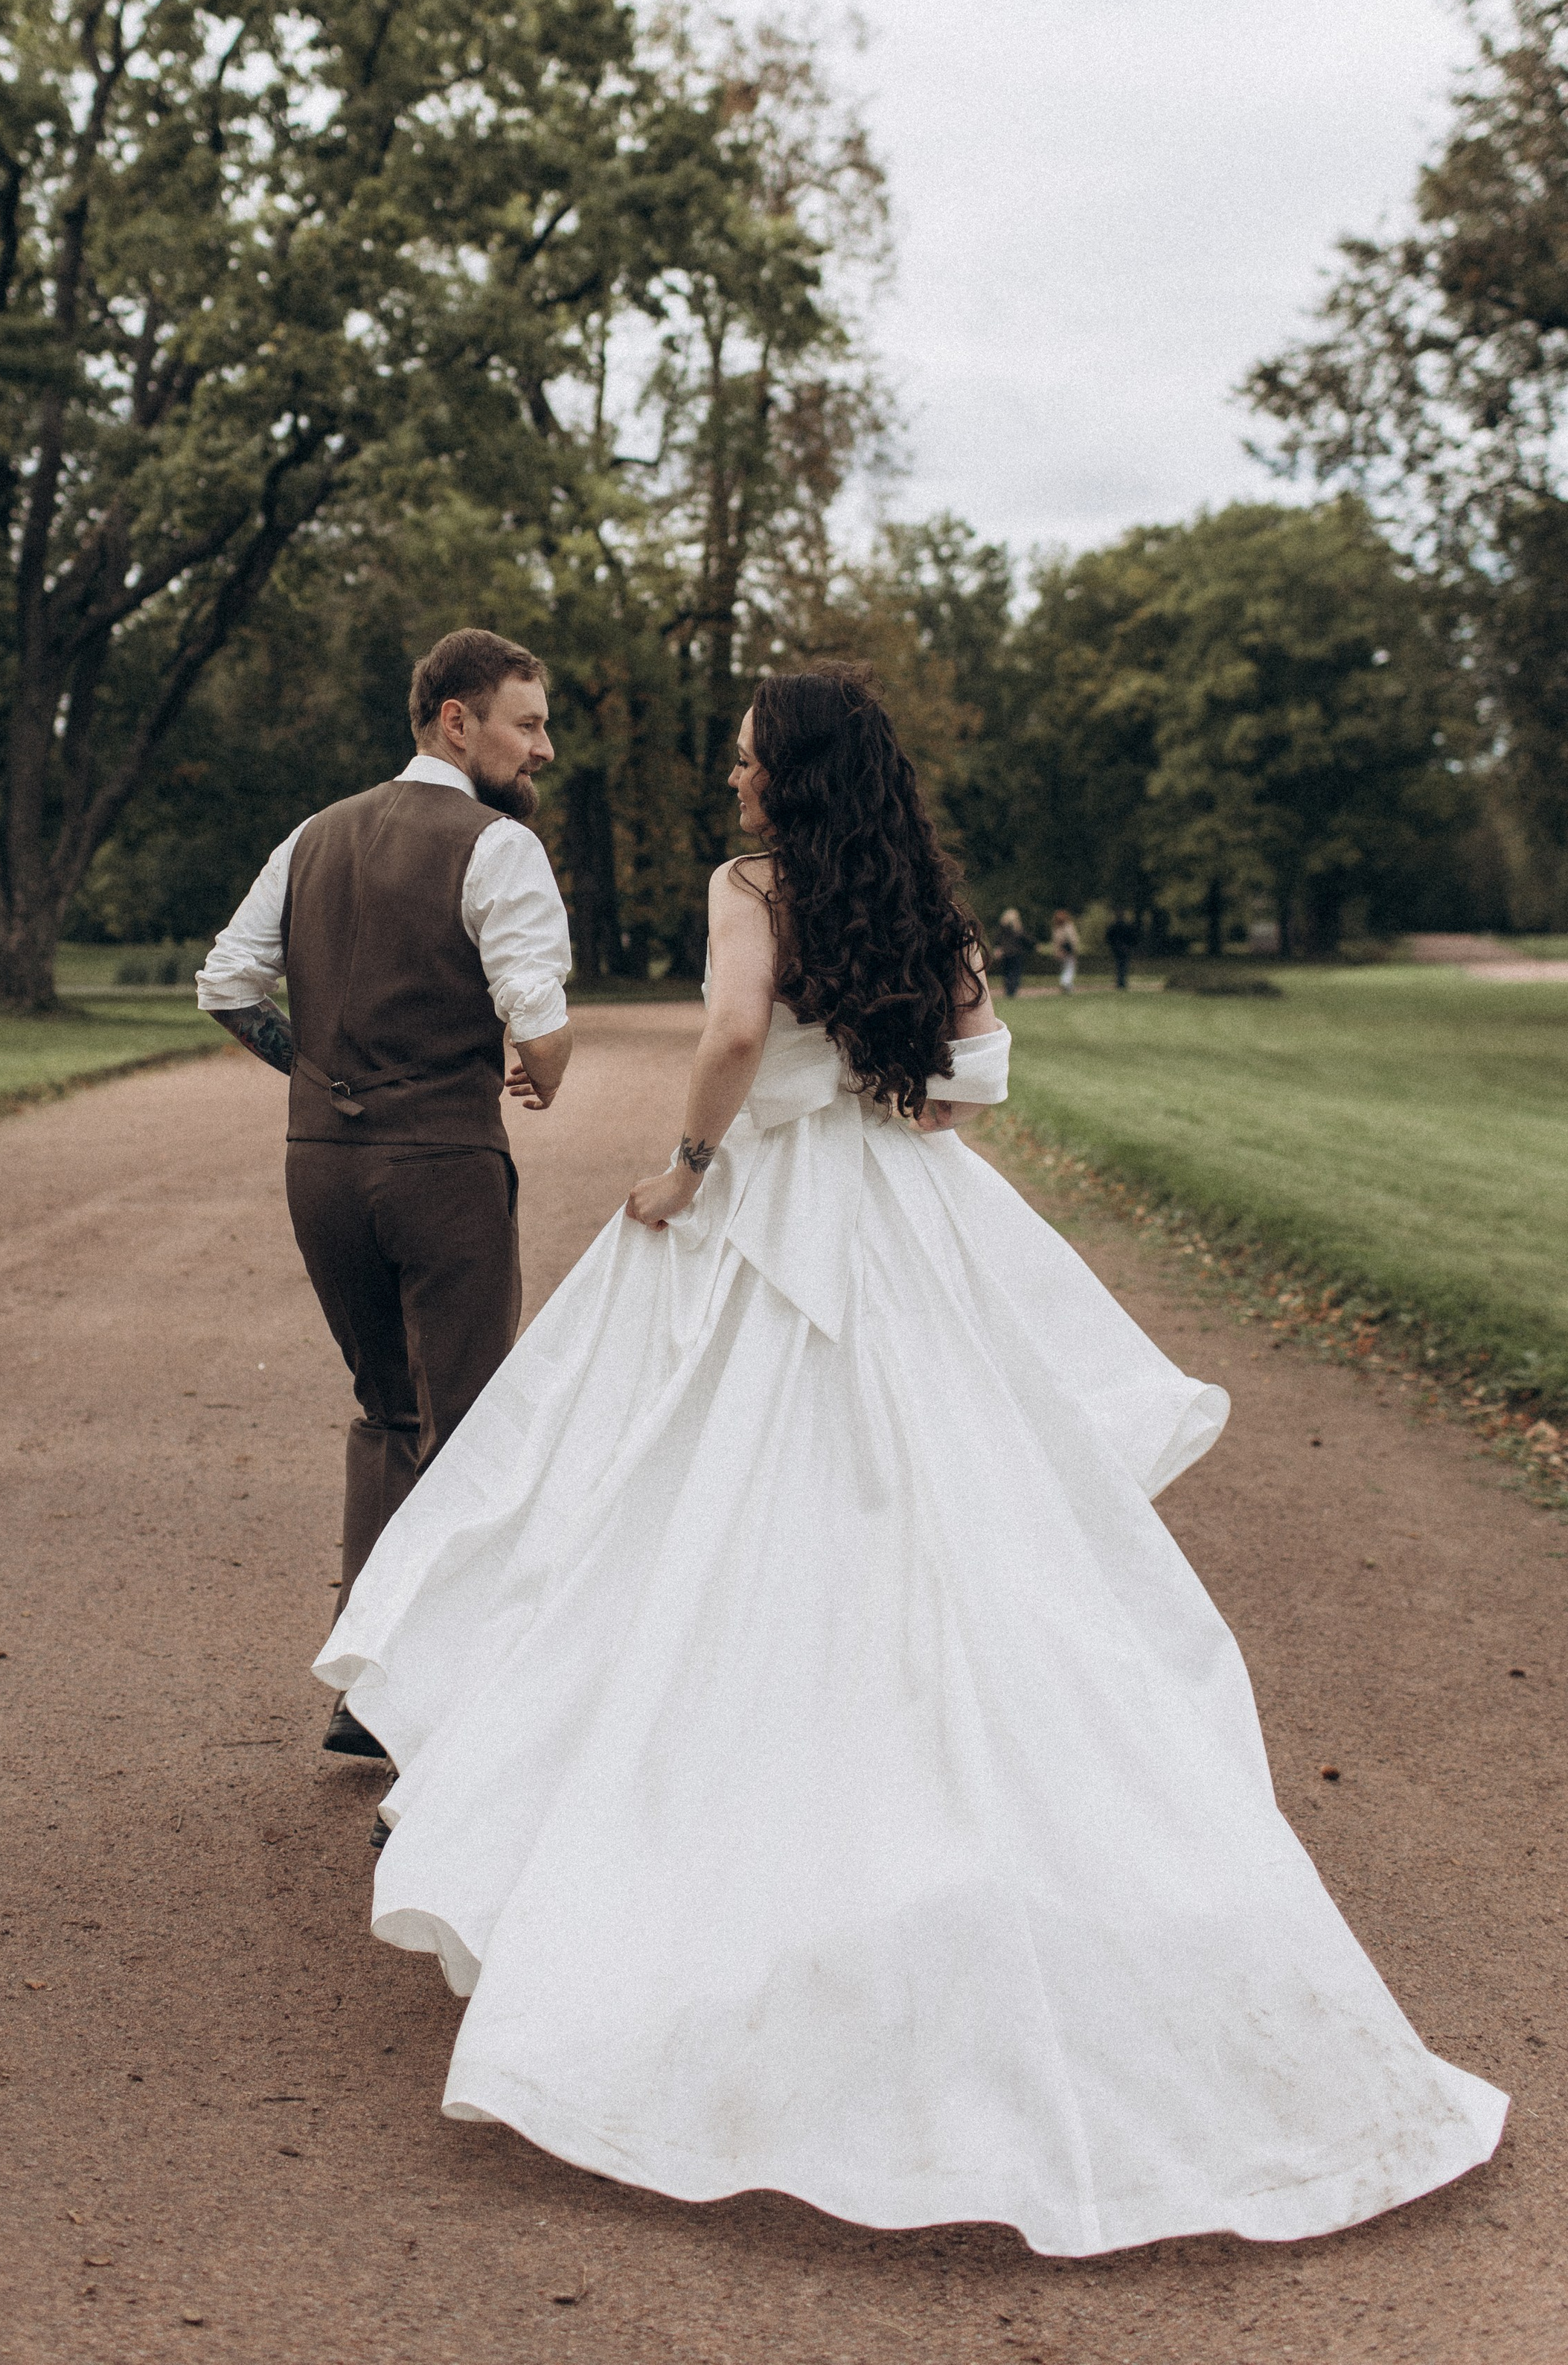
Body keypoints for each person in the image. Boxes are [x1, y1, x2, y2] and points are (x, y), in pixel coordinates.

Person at [313, 660, 1505, 2250]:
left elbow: (735, 1028)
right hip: (904, 1222)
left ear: (783, 777)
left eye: (747, 759)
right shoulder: (908, 894)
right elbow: (980, 1062)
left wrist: (684, 1163)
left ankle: (720, 1879)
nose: (735, 780)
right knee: (960, 1534)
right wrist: (897, 1103)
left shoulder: (754, 885)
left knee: (672, 1519)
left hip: (775, 1217)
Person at [199, 628, 573, 1758]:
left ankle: (367, 1692)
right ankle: (448, 1704)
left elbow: (226, 985)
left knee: (384, 1409)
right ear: (458, 722)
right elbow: (543, 1031)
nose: (543, 748)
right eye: (528, 722)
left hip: (320, 1161)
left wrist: (318, 1073)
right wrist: (536, 1068)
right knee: (468, 1424)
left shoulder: (315, 834)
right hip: (443, 1166)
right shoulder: (497, 848)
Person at [996, 903, 1026, 996]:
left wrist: (998, 948)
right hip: (1015, 953)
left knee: (1007, 972)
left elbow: (997, 939)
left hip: (1005, 953)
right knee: (1015, 972)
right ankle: (1013, 990)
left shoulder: (1002, 929)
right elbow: (1025, 939)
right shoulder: (1017, 929)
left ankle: (1009, 990)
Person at [1107, 908, 1137, 991]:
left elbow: (1109, 938)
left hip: (1116, 949)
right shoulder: (1127, 926)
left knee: (1119, 965)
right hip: (1125, 949)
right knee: (1124, 966)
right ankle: (1122, 982)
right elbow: (1132, 938)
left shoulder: (1113, 927)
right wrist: (1129, 946)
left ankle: (1120, 982)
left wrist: (1114, 946)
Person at [1051, 906, 1080, 992]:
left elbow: (1056, 942)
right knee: (1070, 968)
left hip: (1061, 950)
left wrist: (1057, 952)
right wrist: (1074, 949)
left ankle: (1068, 985)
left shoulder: (1056, 928)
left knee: (1065, 968)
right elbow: (1073, 940)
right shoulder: (1069, 927)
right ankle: (1066, 983)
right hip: (1068, 950)